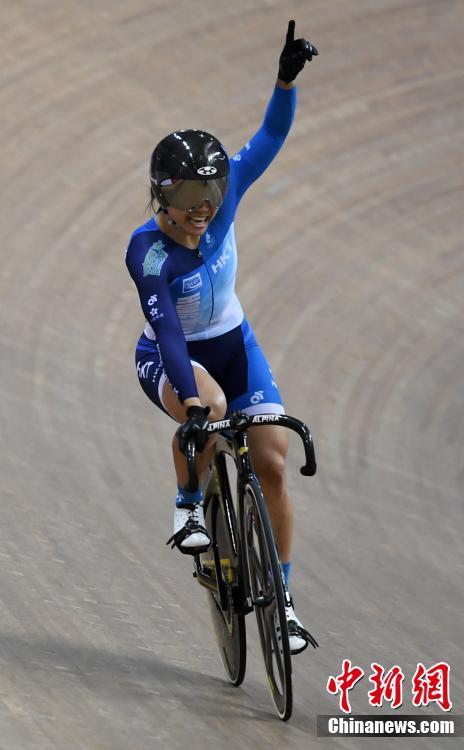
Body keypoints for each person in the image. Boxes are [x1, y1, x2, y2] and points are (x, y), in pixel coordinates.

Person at [126, 21, 318, 655]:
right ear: (162, 193)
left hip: (235, 342)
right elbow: (170, 336)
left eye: (210, 191)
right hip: (172, 354)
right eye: (189, 194)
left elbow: (270, 137)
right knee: (205, 412)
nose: (203, 206)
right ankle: (188, 503)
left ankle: (282, 601)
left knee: (273, 464)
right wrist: (190, 405)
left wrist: (284, 82)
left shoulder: (224, 196)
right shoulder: (149, 254)